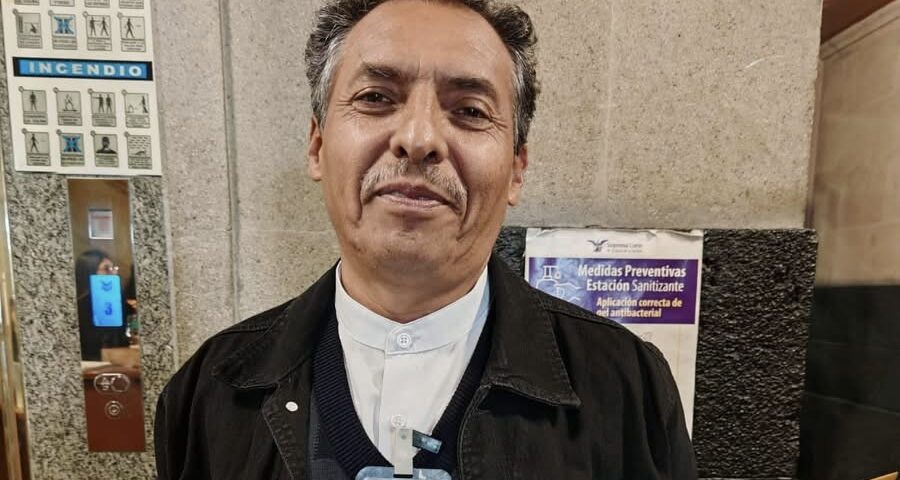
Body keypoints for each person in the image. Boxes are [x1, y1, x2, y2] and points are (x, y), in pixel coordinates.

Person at [155, 1, 697, 479]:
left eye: (469, 111)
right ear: (317, 145)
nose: (417, 139)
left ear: (516, 168)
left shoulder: (627, 390)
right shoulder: (210, 393)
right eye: (375, 97)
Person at [74, 250, 128, 361]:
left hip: (118, 358)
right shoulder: (80, 304)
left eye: (113, 268)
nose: (114, 273)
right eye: (107, 269)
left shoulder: (117, 299)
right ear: (89, 271)